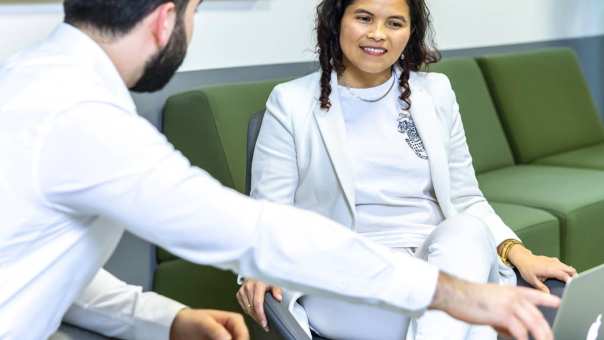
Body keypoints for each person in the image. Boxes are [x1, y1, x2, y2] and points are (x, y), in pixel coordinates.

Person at [0, 0, 559, 339]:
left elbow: (41, 262)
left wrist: (160, 319)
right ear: (165, 20)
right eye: (197, 13)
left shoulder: (31, 81)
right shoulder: (86, 118)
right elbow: (251, 229)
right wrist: (456, 294)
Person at [237, 0, 577, 339]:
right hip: (344, 278)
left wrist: (519, 253)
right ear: (337, 21)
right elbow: (270, 213)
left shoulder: (436, 93)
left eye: (394, 23)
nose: (378, 34)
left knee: (467, 230)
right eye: (364, 18)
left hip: (436, 265)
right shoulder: (290, 102)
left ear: (411, 32)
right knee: (473, 321)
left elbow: (465, 196)